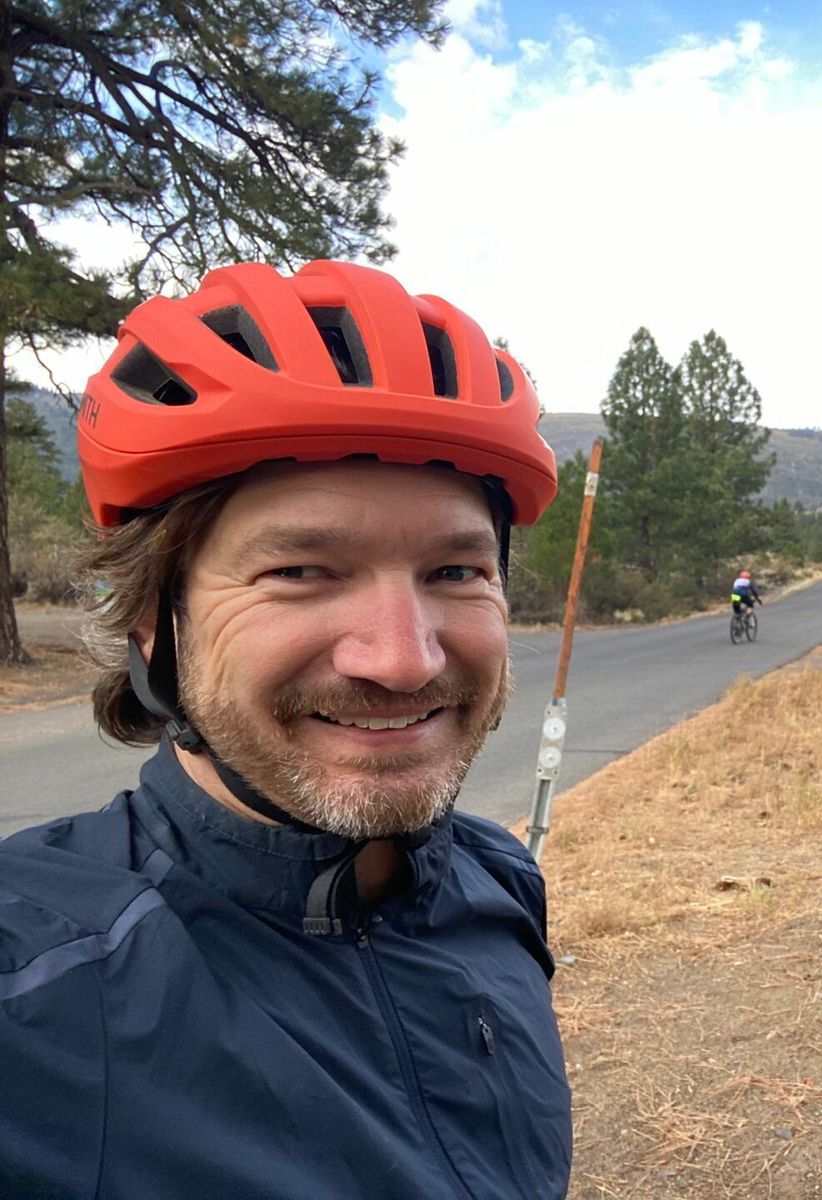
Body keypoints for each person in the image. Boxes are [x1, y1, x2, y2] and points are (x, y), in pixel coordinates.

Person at [0, 261, 572, 1197]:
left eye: (455, 572)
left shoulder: (496, 878)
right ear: (152, 619)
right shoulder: (37, 989)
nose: (404, 660)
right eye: (301, 572)